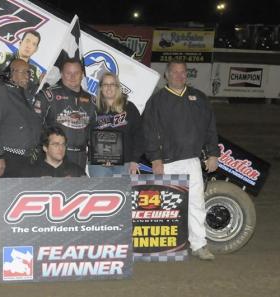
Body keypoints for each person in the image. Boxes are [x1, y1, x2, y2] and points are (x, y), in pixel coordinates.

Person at [143, 60, 219, 261]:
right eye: (174, 72)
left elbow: (210, 128)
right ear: (166, 75)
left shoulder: (200, 98)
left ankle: (199, 244)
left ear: (187, 74)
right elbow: (149, 132)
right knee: (166, 206)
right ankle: (165, 247)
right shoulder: (157, 101)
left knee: (196, 203)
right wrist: (155, 159)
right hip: (167, 162)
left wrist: (213, 154)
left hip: (192, 160)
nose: (179, 76)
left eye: (183, 72)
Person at [0, 59, 42, 274]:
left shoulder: (28, 95)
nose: (27, 76)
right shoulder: (1, 93)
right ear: (12, 73)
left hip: (27, 160)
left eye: (29, 73)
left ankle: (15, 255)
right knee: (0, 208)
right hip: (6, 160)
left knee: (20, 211)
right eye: (24, 73)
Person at [34, 58, 96, 169]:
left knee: (77, 186)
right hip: (53, 157)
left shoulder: (92, 100)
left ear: (82, 74)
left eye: (76, 73)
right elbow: (34, 126)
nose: (72, 77)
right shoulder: (48, 96)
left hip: (80, 157)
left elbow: (95, 131)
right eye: (68, 73)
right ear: (61, 74)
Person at [88, 72, 144, 177]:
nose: (109, 87)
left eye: (112, 84)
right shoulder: (92, 108)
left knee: (124, 193)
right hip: (99, 165)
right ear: (100, 88)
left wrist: (135, 160)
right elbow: (87, 135)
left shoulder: (129, 108)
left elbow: (139, 135)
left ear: (117, 87)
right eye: (105, 84)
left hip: (125, 164)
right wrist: (101, 157)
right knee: (102, 193)